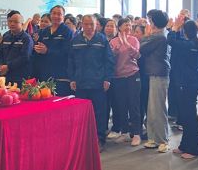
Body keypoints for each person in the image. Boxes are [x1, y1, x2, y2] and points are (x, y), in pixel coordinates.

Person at [68, 15, 115, 151]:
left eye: (92, 24)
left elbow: (109, 61)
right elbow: (70, 61)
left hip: (98, 83)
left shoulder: (102, 40)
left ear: (96, 25)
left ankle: (99, 139)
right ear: (81, 24)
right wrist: (72, 78)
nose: (89, 27)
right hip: (80, 83)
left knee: (100, 113)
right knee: (81, 114)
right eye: (86, 24)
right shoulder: (75, 40)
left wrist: (107, 79)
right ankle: (82, 140)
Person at [168, 17, 198, 159]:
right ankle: (185, 145)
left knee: (190, 117)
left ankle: (194, 149)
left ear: (185, 31)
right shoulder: (192, 42)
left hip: (187, 84)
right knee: (185, 116)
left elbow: (171, 41)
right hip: (185, 82)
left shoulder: (190, 44)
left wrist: (174, 28)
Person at [140, 10, 171, 153]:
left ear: (154, 22)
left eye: (150, 20)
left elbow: (141, 48)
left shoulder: (159, 37)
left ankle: (163, 140)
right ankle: (153, 138)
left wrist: (146, 36)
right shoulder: (160, 35)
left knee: (158, 108)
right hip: (154, 73)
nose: (149, 23)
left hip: (159, 74)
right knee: (152, 108)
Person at [110, 18, 142, 146]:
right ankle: (125, 133)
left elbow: (137, 55)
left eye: (129, 25)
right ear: (119, 27)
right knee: (121, 105)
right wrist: (116, 49)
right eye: (125, 25)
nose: (128, 27)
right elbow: (110, 58)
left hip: (132, 75)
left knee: (134, 105)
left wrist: (127, 45)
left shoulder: (134, 40)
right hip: (118, 77)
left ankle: (136, 134)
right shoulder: (113, 41)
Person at [33, 5, 73, 97]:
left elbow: (67, 53)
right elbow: (39, 49)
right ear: (50, 15)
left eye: (59, 14)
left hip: (61, 75)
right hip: (45, 74)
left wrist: (47, 51)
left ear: (63, 16)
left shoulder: (67, 32)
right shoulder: (44, 31)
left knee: (59, 101)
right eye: (54, 13)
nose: (56, 16)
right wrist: (37, 49)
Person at [0, 11, 33, 86]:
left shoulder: (26, 38)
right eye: (10, 21)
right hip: (4, 75)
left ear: (22, 24)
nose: (12, 24)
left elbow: (25, 57)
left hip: (19, 77)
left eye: (16, 22)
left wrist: (8, 67)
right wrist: (0, 66)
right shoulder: (6, 35)